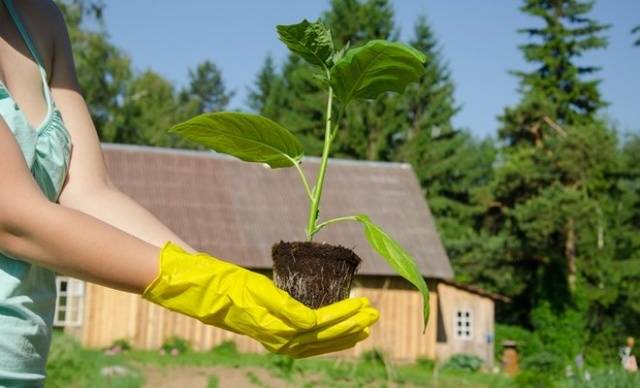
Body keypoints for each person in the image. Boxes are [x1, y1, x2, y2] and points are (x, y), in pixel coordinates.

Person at [0, 0, 379, 385]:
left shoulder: (39, 18)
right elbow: (13, 217)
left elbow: (87, 192)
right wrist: (213, 292)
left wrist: (223, 279)